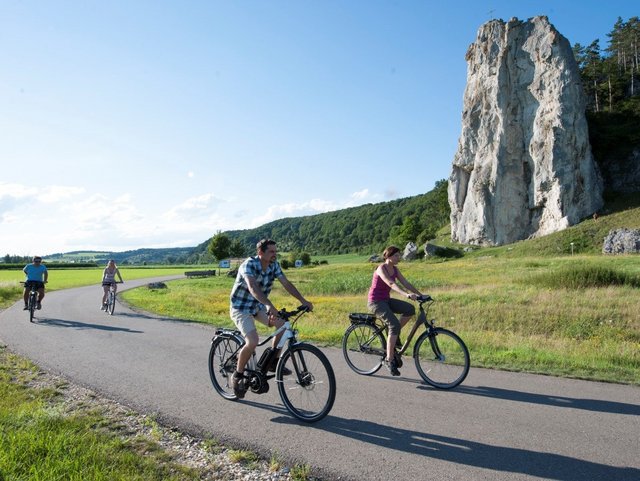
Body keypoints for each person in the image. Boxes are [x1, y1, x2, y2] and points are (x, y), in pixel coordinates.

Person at [229, 238, 313, 398]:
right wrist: (268, 305)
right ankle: (238, 375)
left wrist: (303, 301)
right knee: (252, 341)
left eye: (276, 251)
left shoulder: (274, 265)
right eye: (271, 251)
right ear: (260, 252)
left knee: (283, 325)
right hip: (241, 307)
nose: (275, 254)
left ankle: (273, 362)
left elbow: (286, 283)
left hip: (257, 306)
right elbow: (253, 287)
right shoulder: (248, 265)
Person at [368, 245, 423, 376]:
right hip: (376, 302)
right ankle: (389, 359)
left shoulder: (396, 270)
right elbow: (391, 284)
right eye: (397, 255)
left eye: (399, 255)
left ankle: (394, 334)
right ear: (388, 256)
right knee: (393, 325)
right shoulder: (381, 268)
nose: (399, 257)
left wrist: (420, 295)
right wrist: (406, 295)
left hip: (386, 300)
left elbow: (406, 283)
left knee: (409, 309)